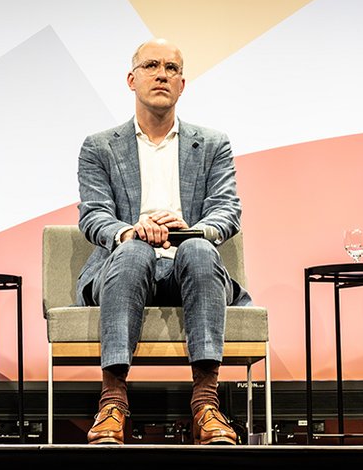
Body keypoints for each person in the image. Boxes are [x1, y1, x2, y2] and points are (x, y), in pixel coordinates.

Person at [75, 38, 250, 446]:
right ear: (131, 79)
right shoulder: (99, 147)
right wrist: (131, 230)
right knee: (133, 251)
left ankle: (206, 403)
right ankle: (113, 402)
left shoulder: (212, 144)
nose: (162, 74)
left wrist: (190, 229)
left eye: (171, 68)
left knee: (199, 248)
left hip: (190, 267)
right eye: (152, 65)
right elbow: (94, 215)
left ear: (182, 84)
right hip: (123, 269)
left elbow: (228, 210)